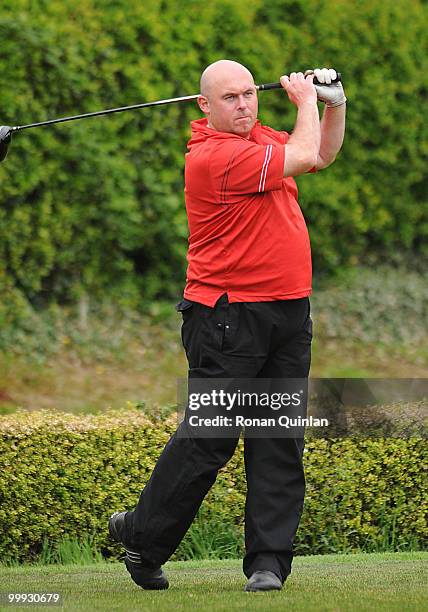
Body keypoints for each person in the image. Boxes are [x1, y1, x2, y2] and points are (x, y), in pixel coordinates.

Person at [109, 59, 346, 592]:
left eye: (248, 94)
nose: (245, 105)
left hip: (288, 312)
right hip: (227, 317)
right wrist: (307, 101)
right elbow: (304, 150)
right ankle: (141, 539)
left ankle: (268, 563)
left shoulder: (259, 137)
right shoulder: (212, 159)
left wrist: (335, 105)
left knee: (278, 438)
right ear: (205, 106)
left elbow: (321, 154)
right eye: (231, 98)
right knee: (209, 440)